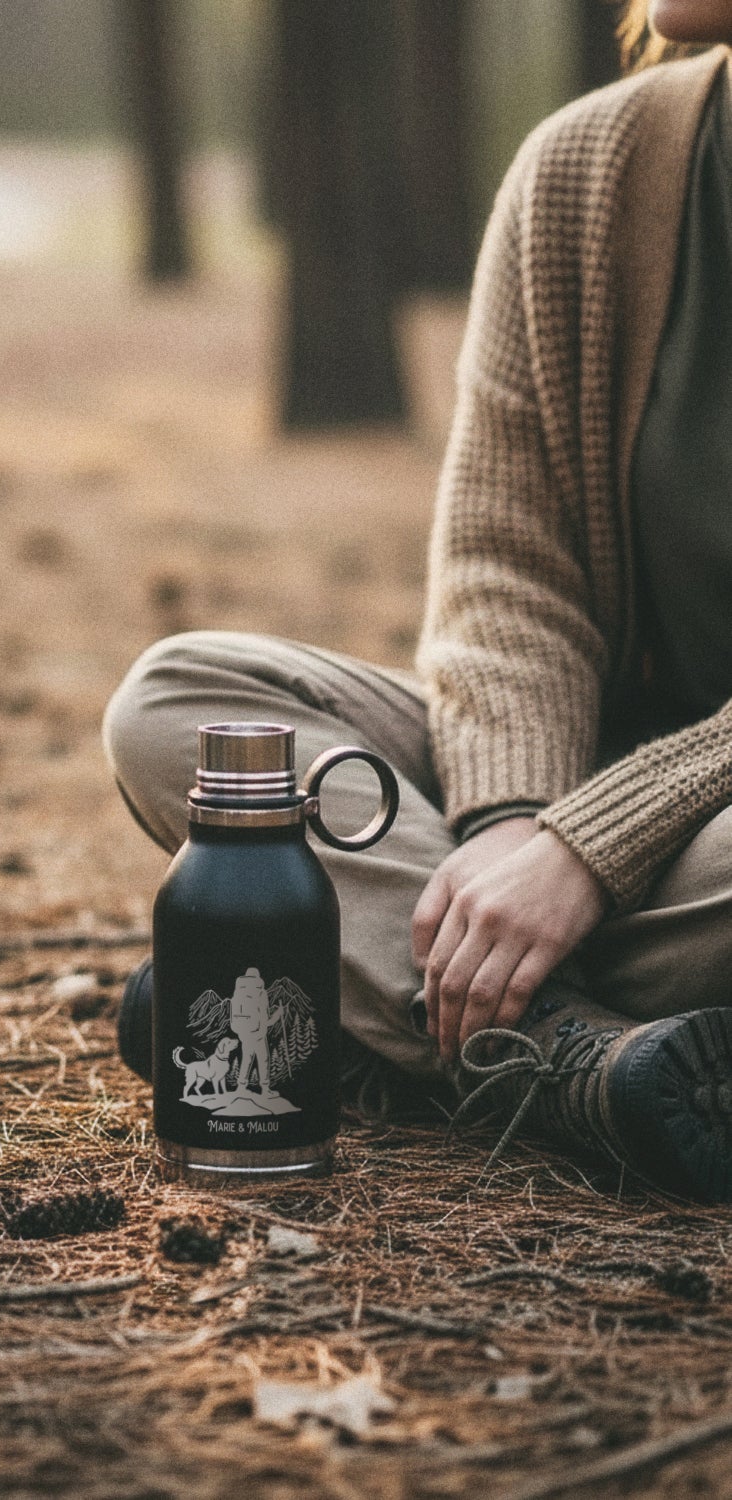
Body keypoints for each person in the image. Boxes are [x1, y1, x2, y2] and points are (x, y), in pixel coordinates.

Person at [104, 1, 732, 1202]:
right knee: (181, 703)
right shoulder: (587, 169)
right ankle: (569, 1062)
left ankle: (352, 1011)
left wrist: (587, 852)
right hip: (585, 779)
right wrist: (511, 820)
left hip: (704, 841)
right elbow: (510, 571)